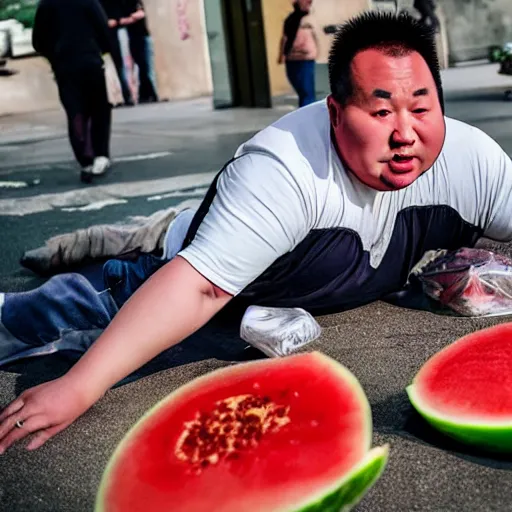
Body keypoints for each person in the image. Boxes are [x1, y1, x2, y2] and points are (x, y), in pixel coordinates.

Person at [2, 10, 512, 452]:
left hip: (271, 257)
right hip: (188, 269)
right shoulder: (281, 169)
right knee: (61, 308)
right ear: (335, 112)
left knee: (172, 229)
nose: (405, 134)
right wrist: (78, 387)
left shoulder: (471, 160)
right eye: (381, 112)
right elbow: (199, 287)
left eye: (421, 108)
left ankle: (127, 231)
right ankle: (83, 255)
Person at [32, 0, 113, 183]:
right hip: (90, 61)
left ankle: (85, 159)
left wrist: (54, 56)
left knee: (75, 111)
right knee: (99, 108)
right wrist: (104, 51)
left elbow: (38, 41)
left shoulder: (46, 4)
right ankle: (100, 154)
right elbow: (103, 29)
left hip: (64, 65)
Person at [278, 0, 318, 108]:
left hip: (305, 59)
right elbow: (285, 38)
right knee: (303, 91)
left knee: (306, 92)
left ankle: (309, 116)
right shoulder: (291, 19)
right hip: (292, 59)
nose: (309, 2)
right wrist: (281, 55)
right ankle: (306, 115)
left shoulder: (310, 18)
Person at [120, 0, 159, 103]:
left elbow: (141, 14)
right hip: (132, 38)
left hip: (143, 36)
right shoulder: (123, 4)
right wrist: (130, 18)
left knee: (147, 66)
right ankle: (144, 95)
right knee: (141, 66)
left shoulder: (136, 1)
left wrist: (129, 18)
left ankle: (152, 94)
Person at [100, 0, 136, 107]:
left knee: (120, 66)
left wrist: (115, 20)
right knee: (112, 67)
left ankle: (125, 95)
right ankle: (119, 96)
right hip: (107, 34)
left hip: (114, 32)